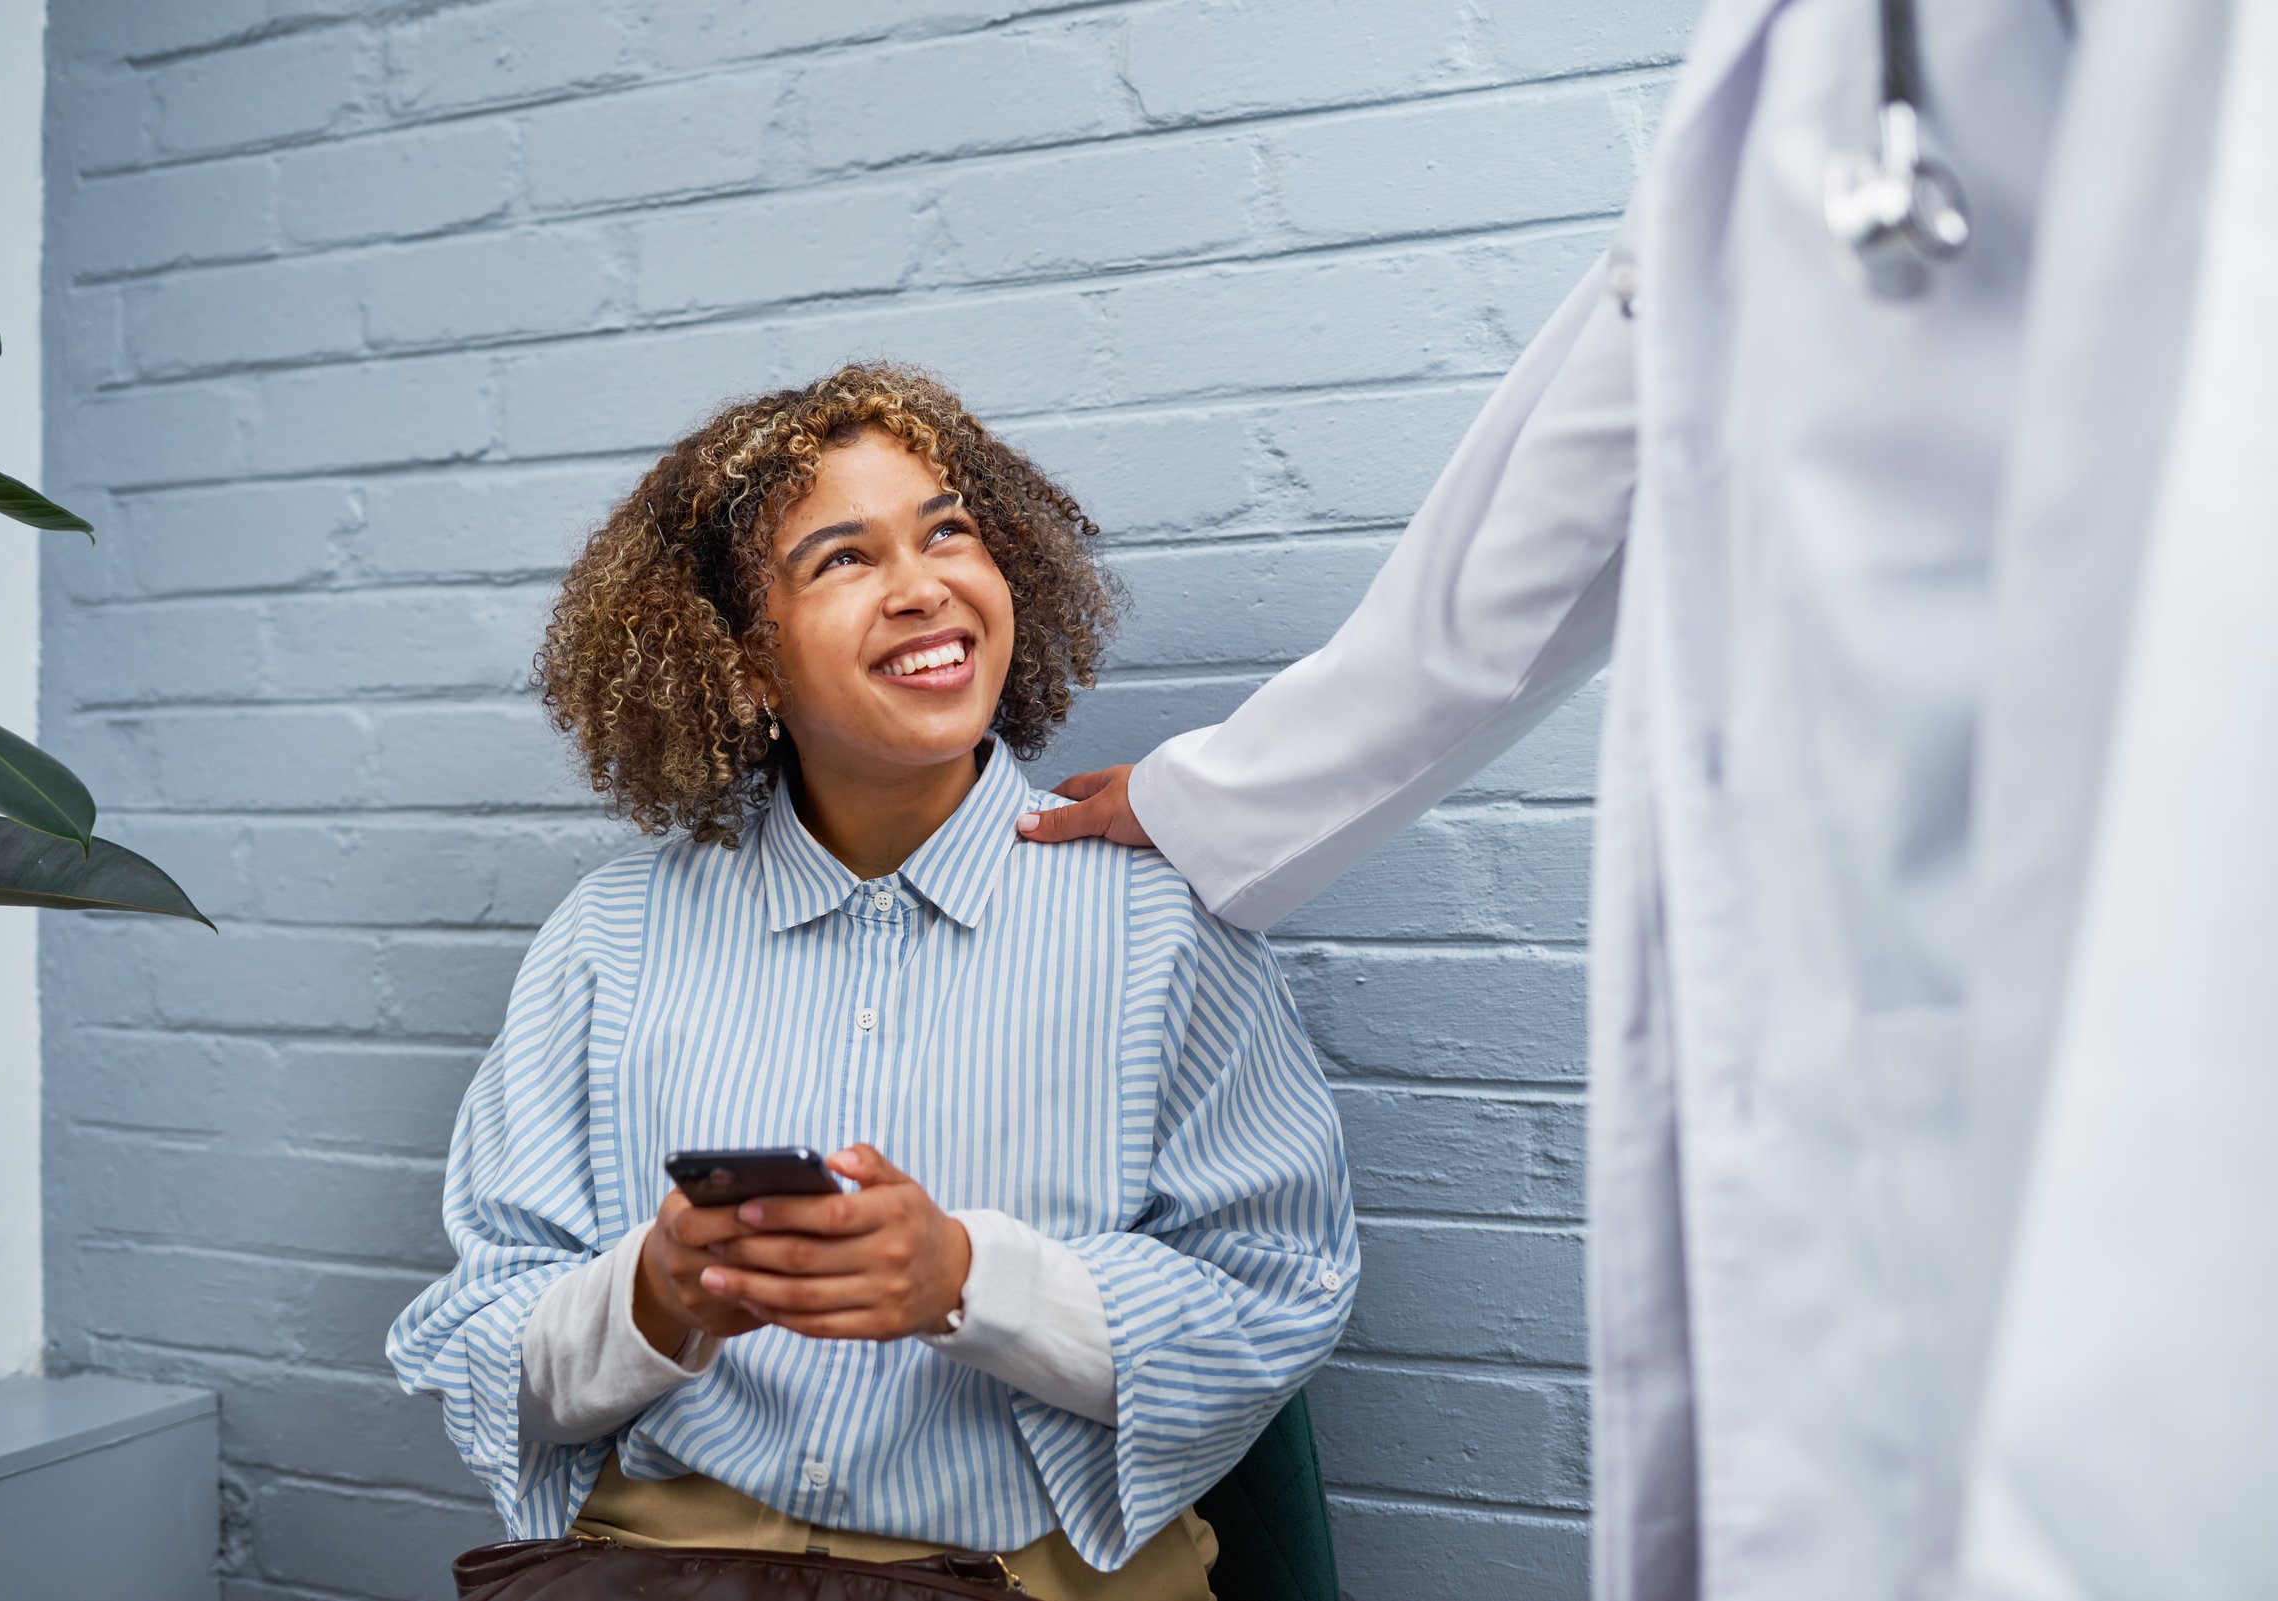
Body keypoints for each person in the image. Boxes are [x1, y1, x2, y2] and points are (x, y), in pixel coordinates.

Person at [1018, 1, 2278, 1597]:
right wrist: (1215, 796)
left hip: (2110, 909)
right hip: (1873, 963)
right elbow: (1584, 463)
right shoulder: (1800, 59)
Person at [386, 364, 1358, 1600]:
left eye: (949, 529)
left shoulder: (1163, 922)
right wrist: (657, 1293)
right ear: (739, 661)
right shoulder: (608, 937)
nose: (922, 586)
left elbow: (1277, 1295)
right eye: (843, 559)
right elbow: (480, 1337)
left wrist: (969, 1280)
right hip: (664, 1572)